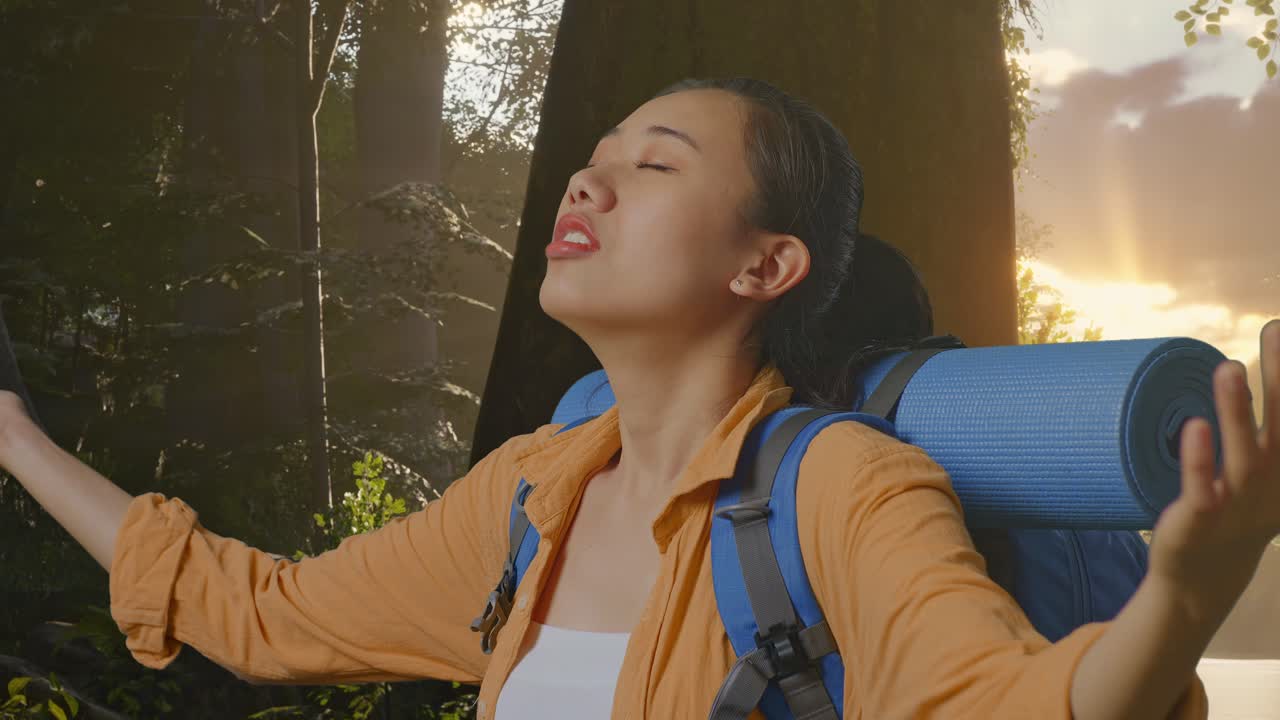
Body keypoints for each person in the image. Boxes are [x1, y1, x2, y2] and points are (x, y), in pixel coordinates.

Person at [1, 76, 1277, 720]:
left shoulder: (839, 484)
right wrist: (11, 434)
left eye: (650, 164)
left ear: (761, 265)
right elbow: (256, 610)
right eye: (592, 157)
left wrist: (1182, 592)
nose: (586, 182)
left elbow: (992, 704)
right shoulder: (524, 497)